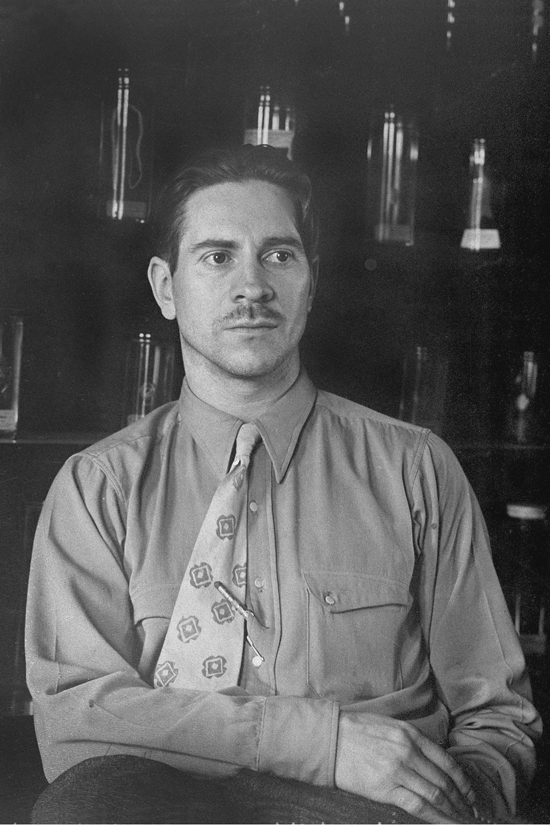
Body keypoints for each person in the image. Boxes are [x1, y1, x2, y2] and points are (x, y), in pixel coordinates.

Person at [26, 144, 540, 825]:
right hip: (171, 810)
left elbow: (496, 716)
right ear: (165, 287)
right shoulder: (98, 489)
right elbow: (73, 725)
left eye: (278, 255)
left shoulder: (415, 468)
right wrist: (320, 744)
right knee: (87, 802)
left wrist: (457, 800)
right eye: (217, 256)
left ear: (310, 280)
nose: (253, 286)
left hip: (370, 814)